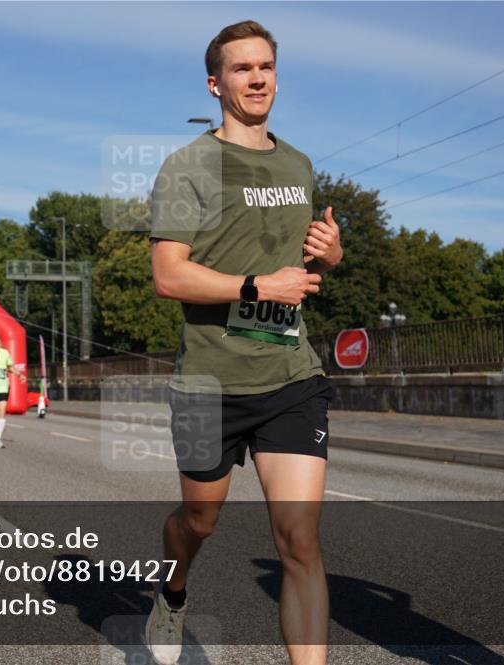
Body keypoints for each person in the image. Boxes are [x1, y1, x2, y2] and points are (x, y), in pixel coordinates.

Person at [147, 21, 343, 665]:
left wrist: (331, 253)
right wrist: (257, 283)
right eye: (241, 69)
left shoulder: (298, 164)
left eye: (266, 67)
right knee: (198, 521)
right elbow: (168, 274)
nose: (257, 78)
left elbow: (302, 267)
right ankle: (173, 588)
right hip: (209, 381)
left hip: (291, 375)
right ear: (215, 83)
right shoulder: (189, 166)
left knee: (300, 542)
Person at [0, 333, 26, 448]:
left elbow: (10, 367)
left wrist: (20, 375)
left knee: (2, 410)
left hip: (3, 386)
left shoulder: (5, 353)